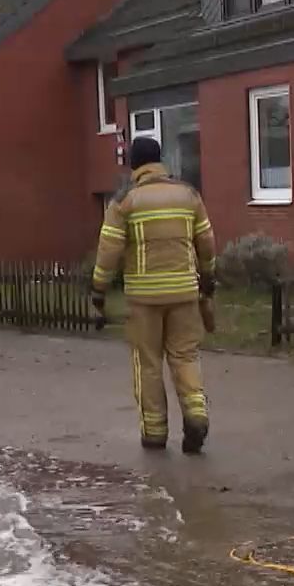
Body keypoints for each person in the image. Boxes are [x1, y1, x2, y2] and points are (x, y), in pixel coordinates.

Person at [90, 135, 216, 453]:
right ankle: (196, 414)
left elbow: (108, 251)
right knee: (185, 356)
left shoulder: (124, 200)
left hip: (144, 300)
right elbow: (206, 242)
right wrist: (208, 278)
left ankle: (155, 433)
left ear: (133, 164)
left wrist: (99, 291)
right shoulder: (188, 195)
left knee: (147, 363)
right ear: (160, 160)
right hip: (185, 294)